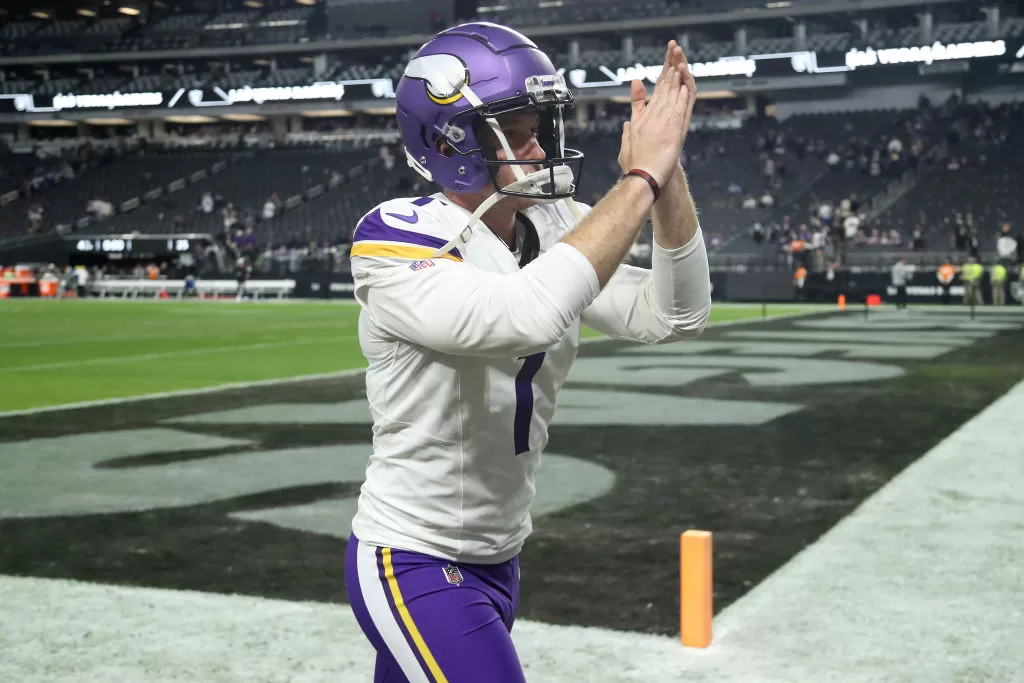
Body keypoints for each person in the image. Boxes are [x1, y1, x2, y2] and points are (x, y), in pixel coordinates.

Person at [344, 23, 710, 683]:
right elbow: (522, 315)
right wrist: (639, 177)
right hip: (413, 556)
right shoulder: (395, 237)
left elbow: (674, 315)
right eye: (514, 131)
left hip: (500, 552)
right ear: (453, 142)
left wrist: (669, 175)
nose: (538, 144)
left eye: (536, 125)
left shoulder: (551, 225)